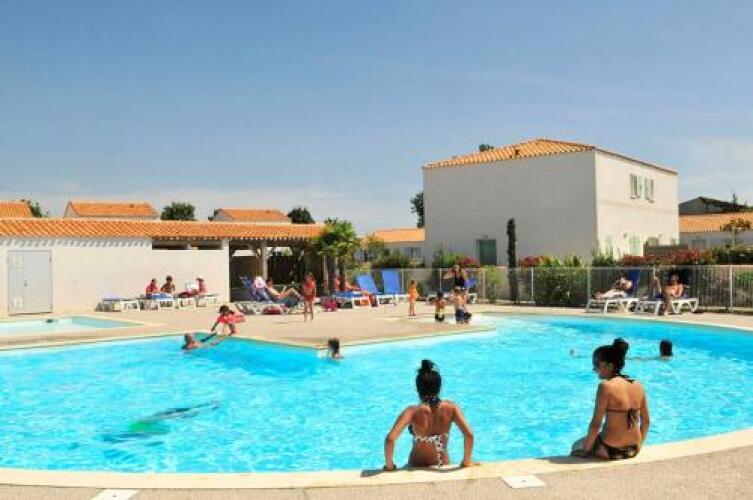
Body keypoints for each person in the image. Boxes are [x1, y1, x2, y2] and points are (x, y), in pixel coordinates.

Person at [384, 359, 476, 470]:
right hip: (443, 465)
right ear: (439, 387)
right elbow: (469, 435)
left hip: (416, 467)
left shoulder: (411, 411)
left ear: (418, 389)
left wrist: (389, 466)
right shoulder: (451, 408)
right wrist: (466, 462)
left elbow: (390, 439)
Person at [571, 338, 650, 460]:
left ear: (609, 365)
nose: (594, 369)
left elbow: (596, 424)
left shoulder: (605, 387)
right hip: (633, 449)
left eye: (596, 364)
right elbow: (646, 421)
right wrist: (639, 445)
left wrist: (585, 451)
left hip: (609, 450)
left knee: (576, 445)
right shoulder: (638, 385)